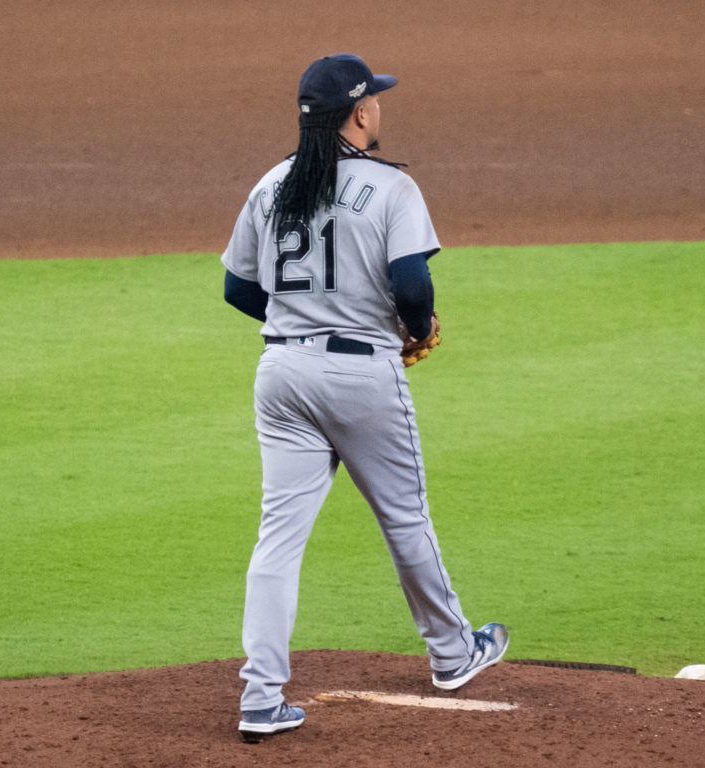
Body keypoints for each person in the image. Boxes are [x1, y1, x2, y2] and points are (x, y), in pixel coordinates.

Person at [220, 53, 509, 742]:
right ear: (358, 112)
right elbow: (411, 283)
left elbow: (237, 289)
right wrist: (415, 328)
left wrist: (304, 315)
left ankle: (260, 696)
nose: (379, 106)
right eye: (373, 99)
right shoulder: (390, 187)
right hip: (360, 376)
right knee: (405, 519)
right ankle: (452, 654)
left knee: (277, 539)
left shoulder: (270, 185)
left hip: (281, 372)